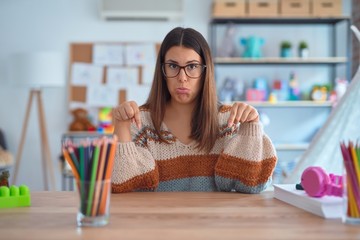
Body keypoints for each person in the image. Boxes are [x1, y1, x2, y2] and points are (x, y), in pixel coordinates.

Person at [111, 27, 277, 193]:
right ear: (162, 70)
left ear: (205, 71)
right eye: (172, 66)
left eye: (192, 67)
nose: (182, 77)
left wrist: (252, 127)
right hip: (160, 218)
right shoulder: (141, 122)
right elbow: (123, 187)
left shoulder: (229, 120)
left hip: (213, 219)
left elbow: (252, 185)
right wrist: (121, 127)